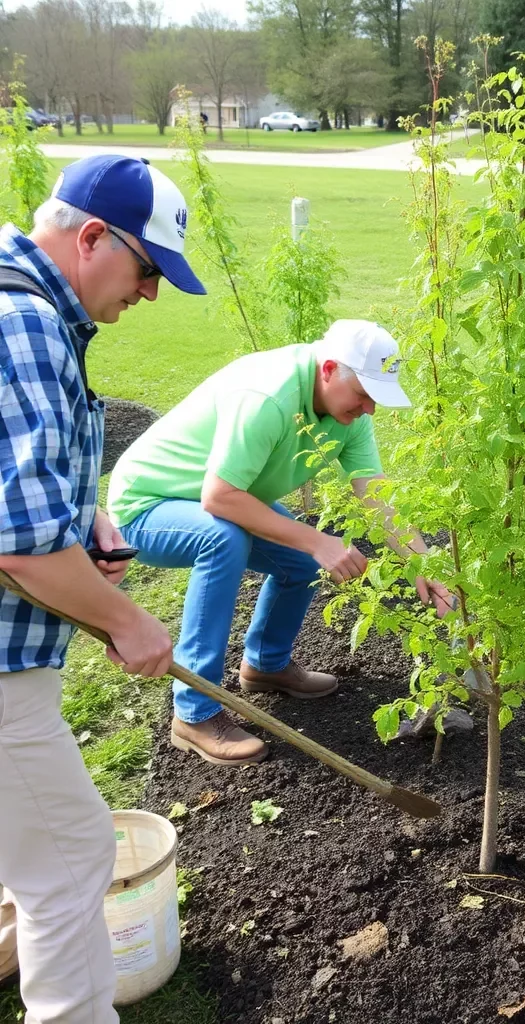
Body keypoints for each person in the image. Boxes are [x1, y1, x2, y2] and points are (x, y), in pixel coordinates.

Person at [0, 155, 205, 1022]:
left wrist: (82, 523)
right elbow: (16, 546)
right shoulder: (26, 325)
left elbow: (22, 494)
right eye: (149, 270)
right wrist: (130, 623)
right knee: (74, 858)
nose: (150, 295)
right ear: (92, 237)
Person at [107, 319, 451, 766]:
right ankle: (194, 713)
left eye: (376, 399)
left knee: (298, 560)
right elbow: (219, 498)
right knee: (224, 540)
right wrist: (316, 541)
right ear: (328, 369)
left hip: (224, 500)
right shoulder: (268, 397)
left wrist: (423, 563)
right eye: (363, 395)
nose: (369, 409)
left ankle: (265, 666)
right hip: (148, 506)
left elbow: (376, 494)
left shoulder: (349, 414)